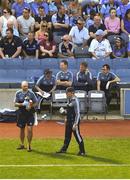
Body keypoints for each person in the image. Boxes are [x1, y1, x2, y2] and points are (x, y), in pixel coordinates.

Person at [56, 87, 86, 156]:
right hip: (69, 120)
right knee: (67, 136)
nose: (66, 94)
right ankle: (64, 149)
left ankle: (82, 151)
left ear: (71, 93)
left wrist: (75, 124)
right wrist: (65, 114)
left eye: (67, 93)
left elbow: (78, 113)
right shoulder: (69, 99)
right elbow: (69, 110)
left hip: (73, 122)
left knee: (77, 136)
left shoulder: (76, 101)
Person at [14, 81, 38, 152]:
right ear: (21, 86)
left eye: (27, 86)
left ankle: (29, 145)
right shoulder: (18, 93)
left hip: (30, 113)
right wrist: (23, 104)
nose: (26, 87)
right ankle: (22, 144)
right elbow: (15, 104)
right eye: (24, 86)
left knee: (30, 129)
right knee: (22, 129)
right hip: (21, 113)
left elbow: (36, 102)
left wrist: (30, 106)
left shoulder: (31, 93)